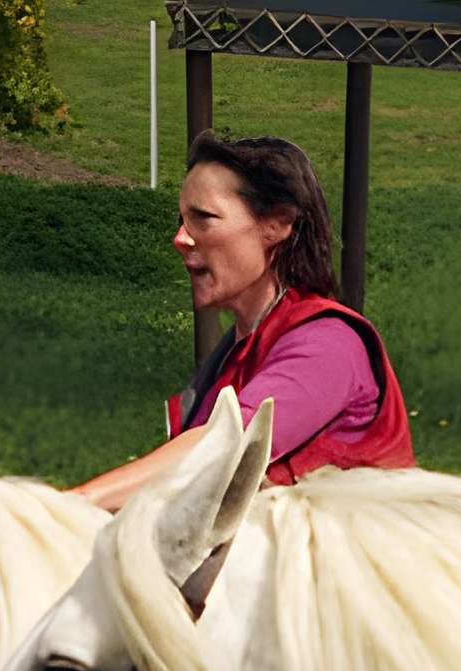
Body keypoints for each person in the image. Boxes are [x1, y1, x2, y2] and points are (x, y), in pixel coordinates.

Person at [76, 132, 412, 510]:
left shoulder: (329, 345)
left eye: (203, 218)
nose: (180, 238)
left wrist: (67, 508)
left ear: (278, 224)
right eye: (181, 220)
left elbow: (225, 446)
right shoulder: (234, 355)